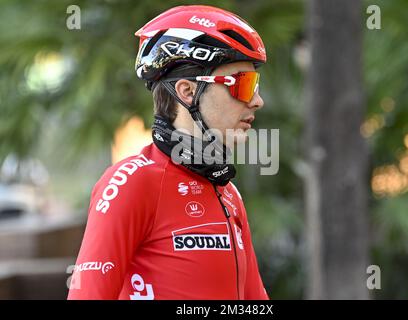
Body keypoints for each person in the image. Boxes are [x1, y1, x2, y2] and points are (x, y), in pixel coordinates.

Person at [67, 5, 268, 300]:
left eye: (256, 85)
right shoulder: (131, 184)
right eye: (244, 85)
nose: (257, 101)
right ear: (187, 91)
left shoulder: (229, 194)